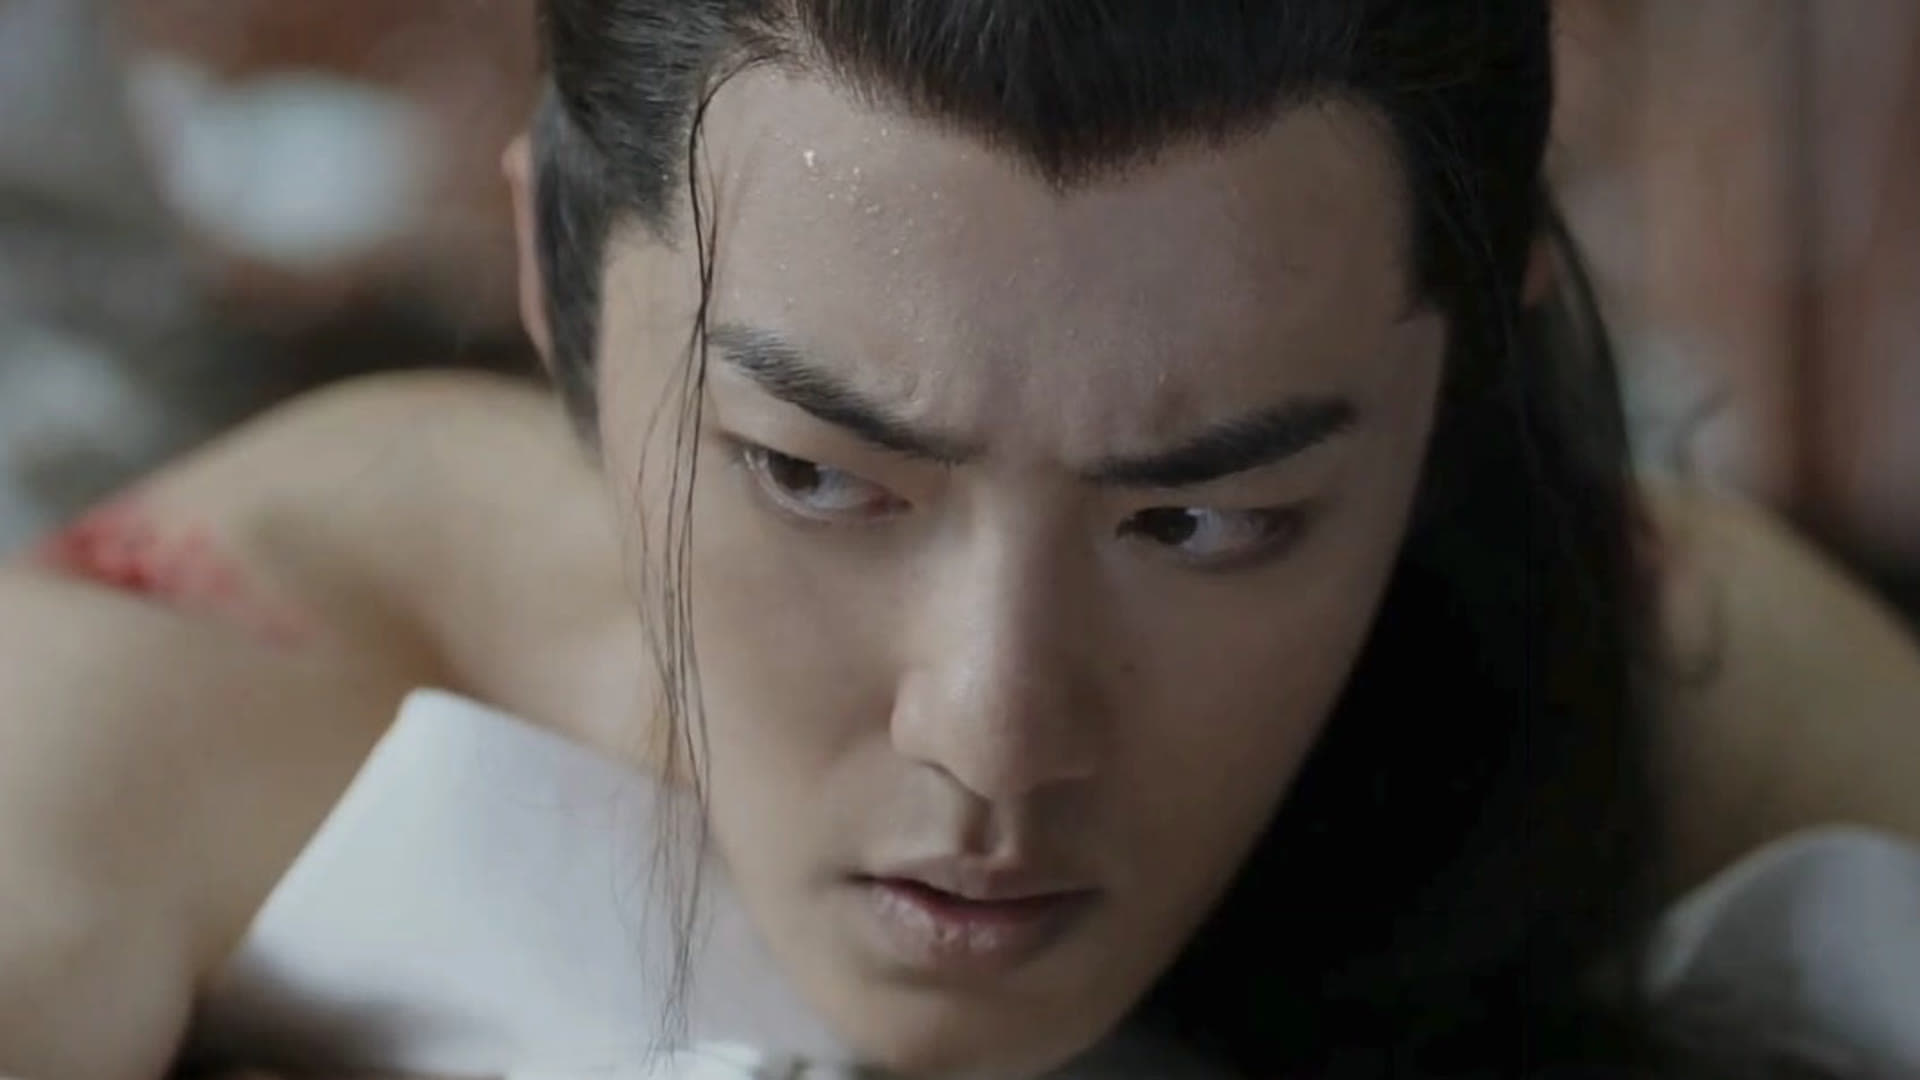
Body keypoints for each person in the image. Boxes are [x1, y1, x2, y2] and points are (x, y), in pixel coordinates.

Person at [2, 2, 1918, 1078]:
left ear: (1466, 370)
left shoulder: (1652, 654)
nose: (995, 736)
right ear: (553, 280)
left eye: (1207, 518)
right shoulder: (185, 681)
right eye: (813, 477)